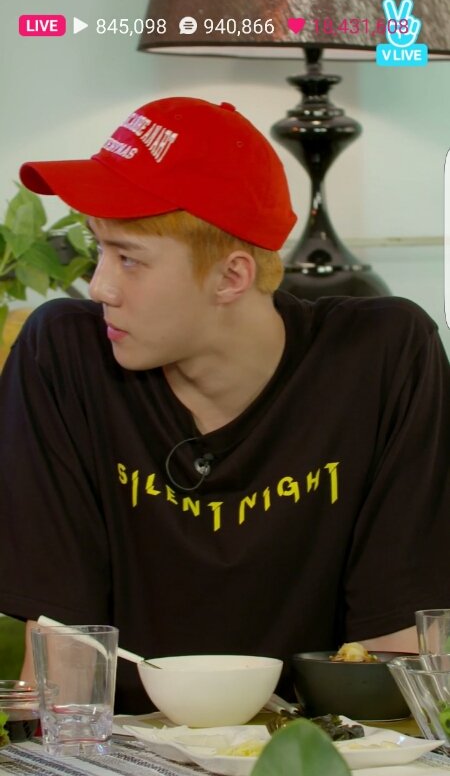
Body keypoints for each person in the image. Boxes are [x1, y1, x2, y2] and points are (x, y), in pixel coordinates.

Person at [0, 96, 449, 714]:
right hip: (115, 751)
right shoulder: (62, 356)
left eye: (129, 258)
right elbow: (61, 661)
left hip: (317, 748)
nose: (100, 286)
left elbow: (397, 653)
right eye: (97, 248)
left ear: (231, 277)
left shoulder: (384, 358)